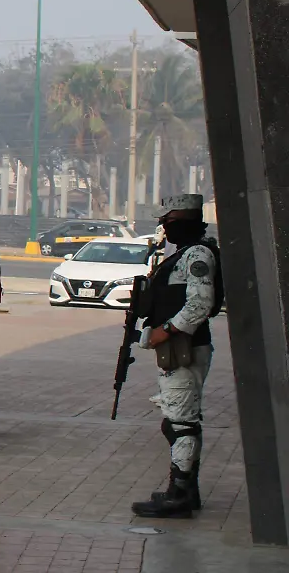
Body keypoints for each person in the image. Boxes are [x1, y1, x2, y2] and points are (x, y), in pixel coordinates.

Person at [131, 194, 220, 519]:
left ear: (182, 221)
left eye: (168, 221)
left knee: (182, 423)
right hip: (177, 350)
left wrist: (163, 331)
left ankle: (179, 494)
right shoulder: (182, 254)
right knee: (176, 421)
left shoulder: (197, 254)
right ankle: (186, 490)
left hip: (185, 349)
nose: (163, 228)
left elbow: (200, 304)